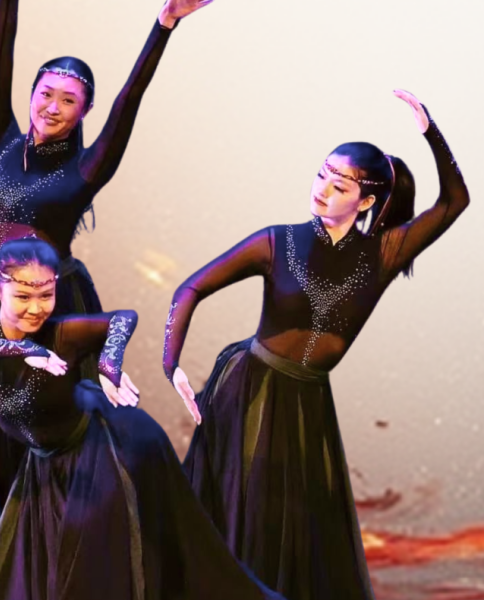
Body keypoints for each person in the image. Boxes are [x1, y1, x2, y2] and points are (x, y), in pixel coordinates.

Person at [162, 90, 469, 599]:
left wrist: (430, 132)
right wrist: (172, 363)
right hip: (250, 393)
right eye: (322, 174)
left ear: (366, 201)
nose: (323, 188)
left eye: (340, 182)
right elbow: (190, 288)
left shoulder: (385, 252)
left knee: (298, 532)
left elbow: (455, 201)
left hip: (308, 408)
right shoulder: (277, 241)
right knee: (245, 516)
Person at [0, 237, 285, 600]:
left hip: (107, 450)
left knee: (111, 573)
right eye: (23, 296)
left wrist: (107, 364)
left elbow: (123, 318)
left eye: (46, 295)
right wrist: (24, 349)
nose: (36, 308)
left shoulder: (62, 334)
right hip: (48, 467)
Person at [0, 0, 213, 316]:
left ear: (85, 111)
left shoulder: (85, 169)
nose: (52, 107)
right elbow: (1, 49)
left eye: (67, 100)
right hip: (3, 304)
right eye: (46, 94)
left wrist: (165, 24)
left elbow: (130, 96)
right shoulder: (0, 141)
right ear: (32, 92)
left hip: (57, 311)